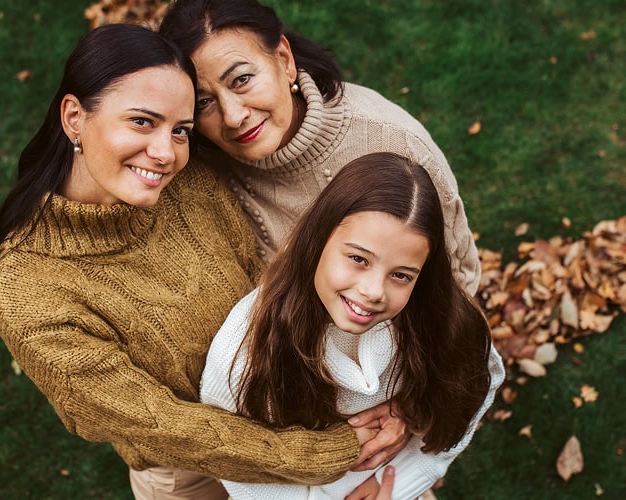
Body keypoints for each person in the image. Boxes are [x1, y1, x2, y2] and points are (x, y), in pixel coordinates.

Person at [0, 23, 400, 500]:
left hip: (297, 407)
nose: (165, 154)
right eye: (142, 121)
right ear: (75, 117)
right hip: (195, 478)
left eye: (180, 130)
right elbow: (162, 425)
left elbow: (264, 289)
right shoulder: (28, 292)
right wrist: (321, 457)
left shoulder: (191, 185)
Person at [200, 153, 506, 500]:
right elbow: (234, 462)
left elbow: (469, 396)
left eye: (401, 275)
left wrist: (399, 485)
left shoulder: (441, 319)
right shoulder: (244, 348)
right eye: (359, 259)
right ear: (318, 240)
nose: (373, 292)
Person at [159, 0, 481, 296]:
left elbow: (455, 279)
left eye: (241, 79)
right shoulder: (200, 170)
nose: (233, 116)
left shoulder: (395, 144)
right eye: (204, 101)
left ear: (284, 60)